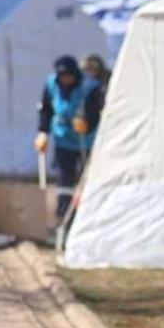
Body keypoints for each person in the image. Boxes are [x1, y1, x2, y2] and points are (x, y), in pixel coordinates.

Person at [35, 55, 104, 222]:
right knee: (65, 176)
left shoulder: (90, 87)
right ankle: (63, 213)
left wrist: (87, 123)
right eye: (63, 77)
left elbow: (97, 113)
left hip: (84, 141)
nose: (66, 80)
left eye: (69, 76)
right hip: (63, 137)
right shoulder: (52, 84)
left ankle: (86, 214)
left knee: (85, 177)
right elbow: (46, 109)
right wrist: (43, 132)